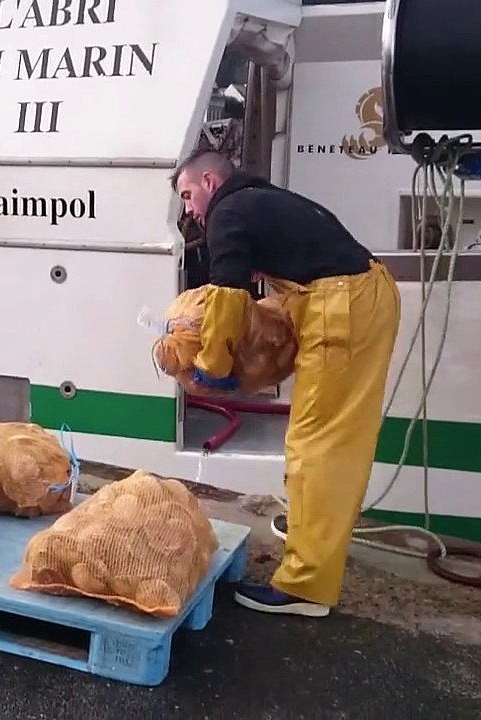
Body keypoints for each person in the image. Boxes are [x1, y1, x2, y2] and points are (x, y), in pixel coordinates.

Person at [169, 148, 401, 617]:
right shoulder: (258, 198)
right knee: (325, 436)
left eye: (189, 195)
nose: (189, 209)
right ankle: (308, 532)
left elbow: (228, 293)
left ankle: (307, 587)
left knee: (320, 444)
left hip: (342, 307)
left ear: (210, 182)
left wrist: (214, 365)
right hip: (356, 295)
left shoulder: (228, 211)